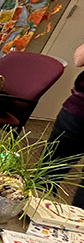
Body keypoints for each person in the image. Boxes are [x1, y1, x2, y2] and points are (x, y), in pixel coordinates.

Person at [45, 41, 84, 208]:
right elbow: (80, 59)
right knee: (48, 174)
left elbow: (79, 59)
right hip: (77, 112)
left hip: (77, 112)